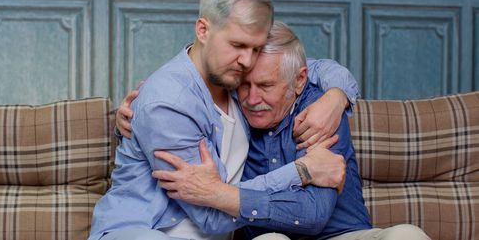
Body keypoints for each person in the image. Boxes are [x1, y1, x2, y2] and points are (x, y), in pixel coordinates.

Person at [89, 0, 358, 240]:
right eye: (238, 45)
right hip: (147, 231)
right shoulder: (169, 102)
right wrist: (302, 171)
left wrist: (337, 96)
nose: (247, 60)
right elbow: (211, 214)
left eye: (255, 48)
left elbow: (309, 68)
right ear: (203, 30)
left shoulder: (235, 78)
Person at [150, 22, 431, 240]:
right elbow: (176, 93)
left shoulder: (320, 111)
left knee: (408, 235)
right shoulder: (229, 105)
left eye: (266, 86)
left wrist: (223, 195)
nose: (251, 99)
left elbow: (314, 215)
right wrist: (135, 110)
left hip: (341, 236)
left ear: (298, 81)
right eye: (244, 85)